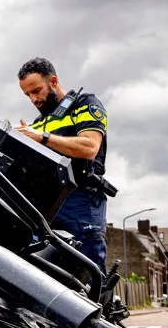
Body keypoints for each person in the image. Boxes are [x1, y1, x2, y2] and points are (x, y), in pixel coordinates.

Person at [15, 57, 112, 271]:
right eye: (27, 95)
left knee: (88, 272)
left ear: (53, 80)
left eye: (37, 90)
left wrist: (42, 137)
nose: (33, 99)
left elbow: (89, 147)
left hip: (82, 201)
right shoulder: (39, 123)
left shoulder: (85, 104)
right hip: (48, 207)